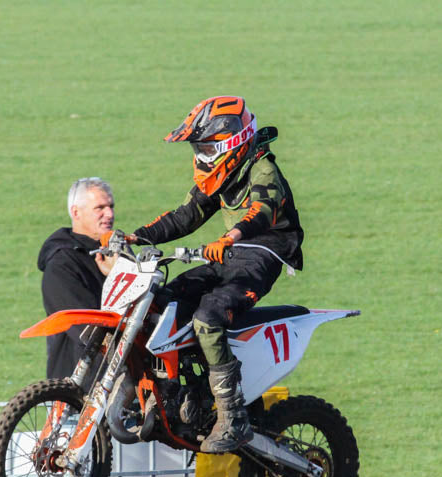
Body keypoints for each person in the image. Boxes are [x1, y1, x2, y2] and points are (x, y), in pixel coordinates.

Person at [121, 96, 304, 453]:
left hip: (262, 254)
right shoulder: (220, 175)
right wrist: (138, 236)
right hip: (230, 252)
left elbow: (262, 210)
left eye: (206, 146)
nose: (202, 154)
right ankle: (176, 392)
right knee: (164, 302)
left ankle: (233, 416)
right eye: (198, 147)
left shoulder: (262, 169)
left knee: (209, 317)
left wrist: (230, 236)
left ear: (231, 141)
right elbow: (186, 215)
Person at [37, 177, 117, 380]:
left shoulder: (116, 252)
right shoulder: (61, 266)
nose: (109, 214)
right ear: (76, 212)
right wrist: (119, 276)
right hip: (80, 389)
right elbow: (88, 330)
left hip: (124, 381)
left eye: (111, 206)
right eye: (100, 208)